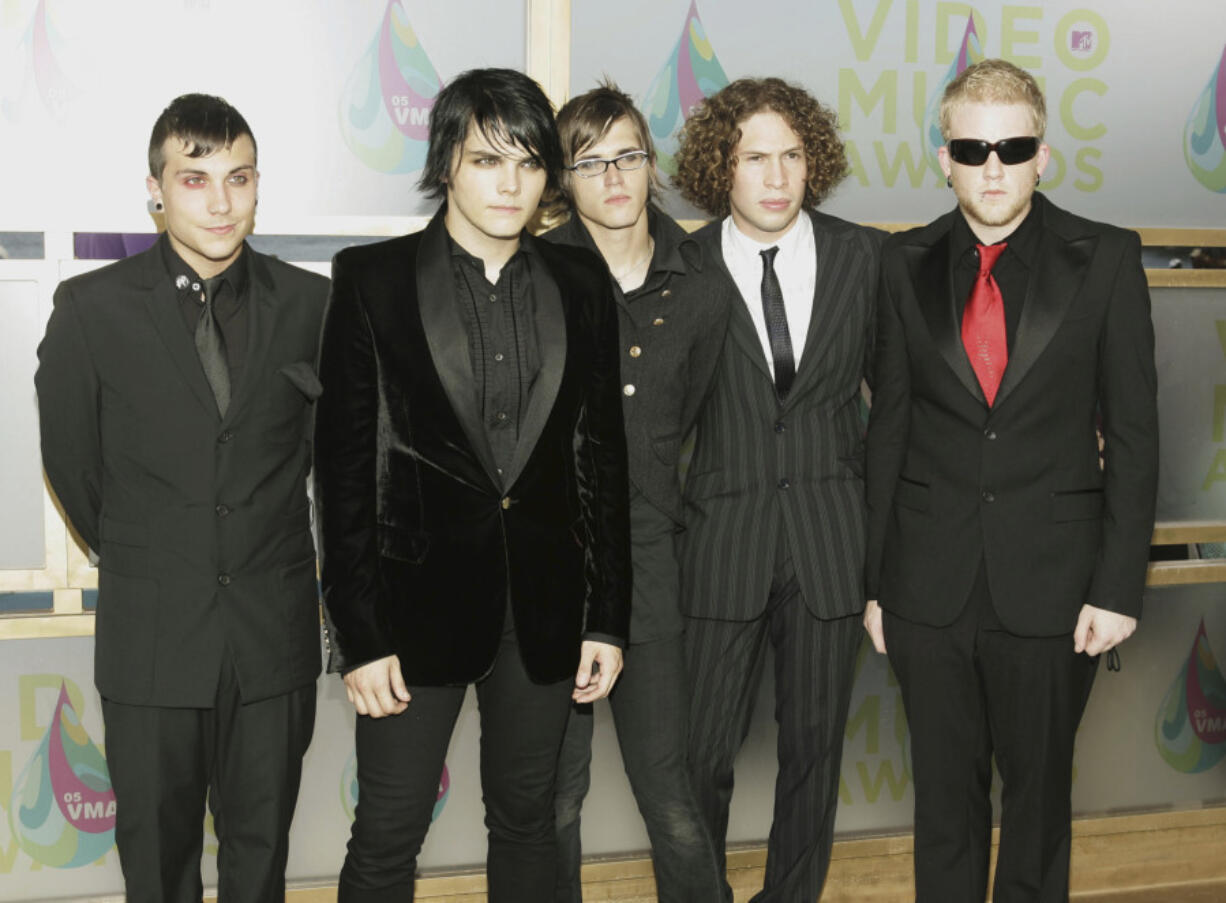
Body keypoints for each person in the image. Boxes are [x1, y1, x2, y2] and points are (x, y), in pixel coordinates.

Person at [313, 68, 632, 902]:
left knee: (528, 821)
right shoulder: (371, 280)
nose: (510, 183)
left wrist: (607, 615)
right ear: (447, 160)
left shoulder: (581, 284)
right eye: (489, 160)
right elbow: (344, 469)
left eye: (530, 164)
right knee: (387, 833)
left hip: (544, 611)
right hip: (409, 616)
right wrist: (359, 631)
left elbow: (602, 460)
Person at [863, 58, 1158, 903]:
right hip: (926, 585)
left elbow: (1135, 434)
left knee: (1038, 806)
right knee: (943, 806)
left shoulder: (1105, 258)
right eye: (973, 145)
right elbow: (888, 430)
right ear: (944, 157)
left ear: (1044, 155)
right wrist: (875, 584)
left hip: (1057, 588)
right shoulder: (902, 263)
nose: (993, 165)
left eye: (1013, 145)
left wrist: (1119, 586)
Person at [35, 93, 326, 902]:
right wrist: (157, 555)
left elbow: (324, 461)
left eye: (238, 177)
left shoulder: (312, 306)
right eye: (194, 179)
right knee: (158, 871)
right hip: (153, 637)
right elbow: (74, 466)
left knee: (260, 865)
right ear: (156, 190)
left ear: (259, 184)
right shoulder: (92, 311)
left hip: (272, 640)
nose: (221, 201)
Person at [672, 77, 882, 903]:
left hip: (832, 545)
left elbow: (897, 409)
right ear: (720, 166)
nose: (776, 176)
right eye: (754, 156)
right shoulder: (678, 265)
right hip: (718, 544)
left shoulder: (865, 257)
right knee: (697, 760)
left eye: (792, 155)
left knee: (814, 756)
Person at [541, 82, 728, 903]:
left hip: (653, 568)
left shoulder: (705, 284)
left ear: (651, 166)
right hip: (549, 571)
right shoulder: (534, 275)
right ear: (562, 179)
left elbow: (703, 426)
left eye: (627, 155)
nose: (613, 176)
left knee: (672, 798)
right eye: (590, 161)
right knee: (553, 799)